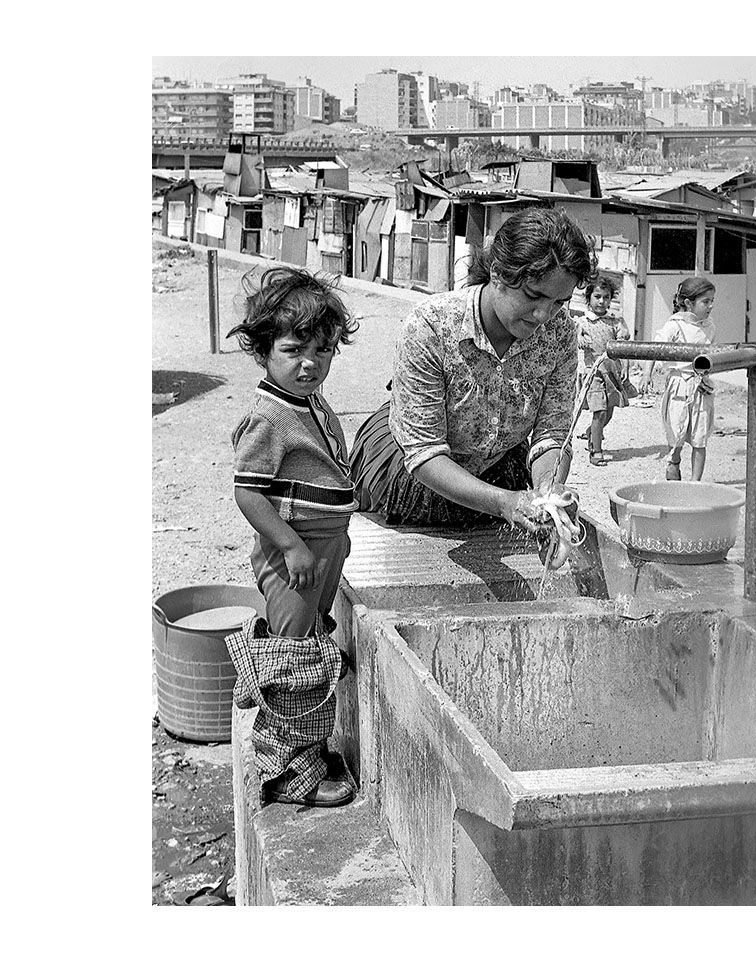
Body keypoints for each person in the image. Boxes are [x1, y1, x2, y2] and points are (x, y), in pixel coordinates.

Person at [349, 207, 597, 534]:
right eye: (534, 296)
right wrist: (503, 502)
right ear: (498, 273)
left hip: (498, 468)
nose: (543, 315)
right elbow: (424, 451)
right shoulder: (431, 326)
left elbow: (552, 434)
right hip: (415, 469)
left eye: (558, 303)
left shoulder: (560, 334)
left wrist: (547, 491)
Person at [224, 267, 359, 809]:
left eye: (323, 351)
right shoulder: (268, 416)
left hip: (320, 551)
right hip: (295, 558)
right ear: (263, 352)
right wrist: (292, 546)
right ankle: (288, 775)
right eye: (293, 350)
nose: (310, 363)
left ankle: (309, 749)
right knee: (291, 660)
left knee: (309, 647)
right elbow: (248, 494)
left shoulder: (310, 403)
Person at [640, 277, 717, 482]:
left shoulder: (710, 326)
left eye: (712, 301)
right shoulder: (675, 325)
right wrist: (647, 373)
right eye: (705, 301)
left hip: (701, 386)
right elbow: (656, 347)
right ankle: (673, 465)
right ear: (688, 303)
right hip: (680, 385)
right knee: (676, 432)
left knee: (700, 436)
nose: (710, 306)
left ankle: (695, 483)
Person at [576, 276, 631, 466]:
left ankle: (592, 431)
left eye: (606, 297)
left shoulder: (615, 322)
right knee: (599, 411)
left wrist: (625, 366)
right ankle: (596, 450)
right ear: (589, 298)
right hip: (594, 373)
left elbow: (624, 345)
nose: (601, 301)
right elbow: (576, 335)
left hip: (611, 372)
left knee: (609, 410)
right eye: (597, 296)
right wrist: (580, 339)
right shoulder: (583, 322)